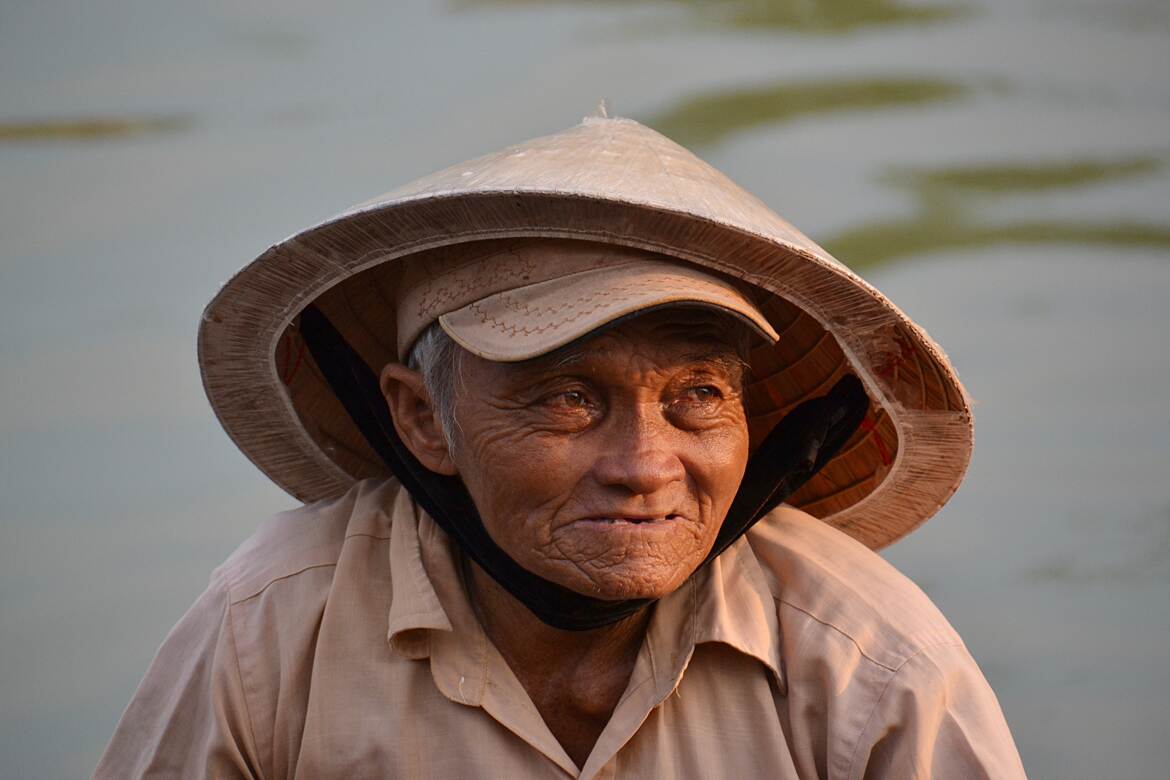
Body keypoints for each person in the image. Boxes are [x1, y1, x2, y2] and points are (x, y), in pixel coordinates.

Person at [94, 116, 1027, 778]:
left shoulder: (869, 661)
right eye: (568, 399)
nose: (646, 465)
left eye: (698, 397)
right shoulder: (272, 626)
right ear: (422, 420)